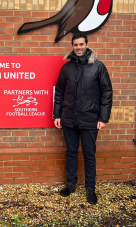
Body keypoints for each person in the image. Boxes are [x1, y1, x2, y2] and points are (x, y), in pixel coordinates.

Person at [53, 33, 112, 204]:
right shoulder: (66, 68)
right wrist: (57, 114)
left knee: (89, 154)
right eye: (75, 45)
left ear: (86, 44)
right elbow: (59, 92)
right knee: (71, 152)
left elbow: (106, 93)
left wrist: (103, 118)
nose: (78, 47)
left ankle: (90, 188)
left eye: (81, 44)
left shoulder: (98, 66)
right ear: (72, 46)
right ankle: (71, 184)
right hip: (69, 117)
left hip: (90, 118)